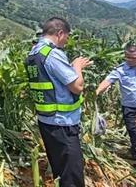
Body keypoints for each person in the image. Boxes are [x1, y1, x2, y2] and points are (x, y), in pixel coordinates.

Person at [25, 17, 92, 187]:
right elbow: (77, 86)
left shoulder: (34, 53)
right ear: (60, 33)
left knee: (60, 172)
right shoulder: (53, 54)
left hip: (46, 122)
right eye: (67, 37)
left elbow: (53, 80)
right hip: (63, 123)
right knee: (71, 176)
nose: (67, 41)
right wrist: (77, 66)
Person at [95, 45, 136, 164]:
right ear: (125, 57)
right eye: (129, 58)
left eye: (134, 57)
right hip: (131, 109)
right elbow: (108, 81)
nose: (131, 60)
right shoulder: (120, 71)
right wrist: (96, 92)